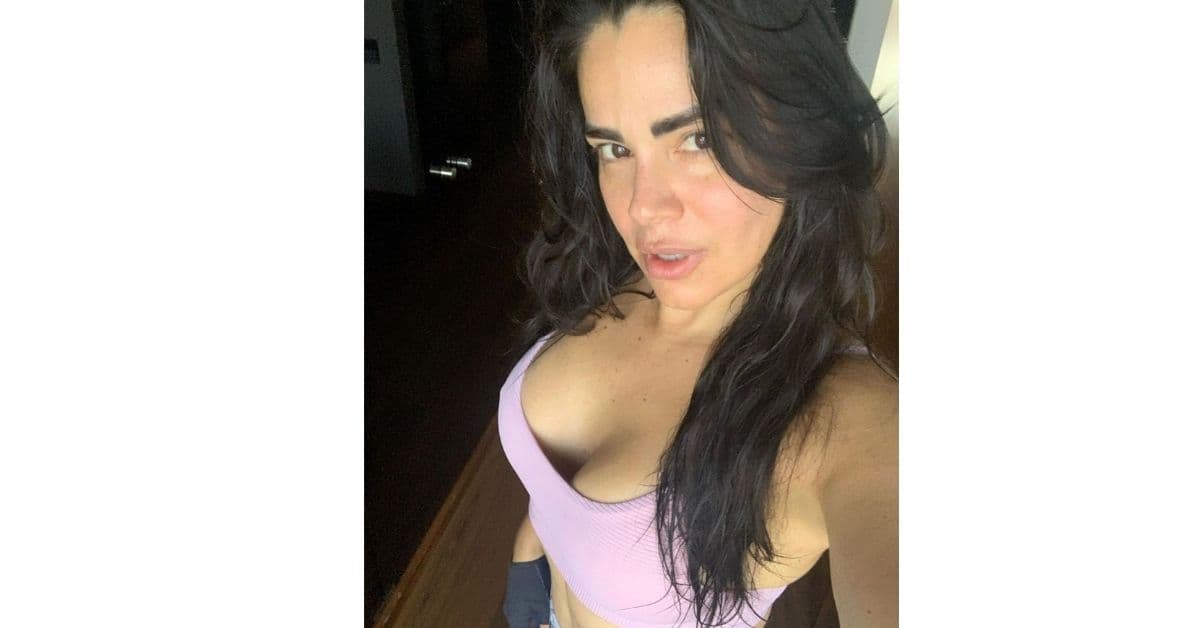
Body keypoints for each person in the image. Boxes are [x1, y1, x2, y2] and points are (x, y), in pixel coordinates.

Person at [499, 1, 896, 627]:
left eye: (699, 139)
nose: (643, 209)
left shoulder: (842, 417)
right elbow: (559, 503)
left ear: (800, 130)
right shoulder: (614, 269)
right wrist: (531, 549)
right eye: (613, 148)